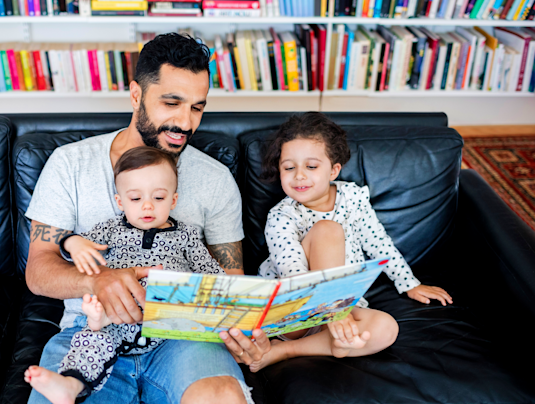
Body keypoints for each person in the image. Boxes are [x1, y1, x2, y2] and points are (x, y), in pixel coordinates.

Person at [24, 32, 270, 404]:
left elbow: (228, 281)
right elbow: (39, 270)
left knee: (221, 397)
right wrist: (98, 283)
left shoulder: (215, 179)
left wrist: (245, 330)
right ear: (136, 95)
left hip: (185, 335)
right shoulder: (69, 164)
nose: (185, 123)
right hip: (93, 329)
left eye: (197, 107)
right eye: (172, 103)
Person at [249, 112, 453, 372]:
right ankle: (323, 335)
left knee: (386, 328)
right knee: (328, 230)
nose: (299, 176)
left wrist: (409, 283)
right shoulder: (281, 215)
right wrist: (329, 310)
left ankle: (285, 351)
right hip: (295, 309)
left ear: (334, 170)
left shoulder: (353, 198)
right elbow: (292, 273)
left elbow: (378, 242)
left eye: (311, 166)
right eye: (289, 167)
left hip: (341, 307)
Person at [25, 146, 229, 404]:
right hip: (116, 317)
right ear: (120, 201)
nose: (147, 206)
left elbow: (212, 272)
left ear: (173, 200)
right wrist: (71, 242)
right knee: (93, 340)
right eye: (135, 199)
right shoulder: (110, 229)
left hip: (169, 324)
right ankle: (71, 384)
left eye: (158, 198)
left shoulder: (186, 235)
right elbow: (76, 254)